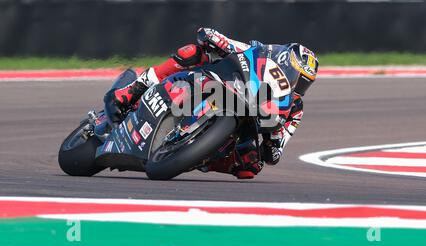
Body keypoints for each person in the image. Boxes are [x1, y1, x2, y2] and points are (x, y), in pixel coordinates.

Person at [104, 28, 319, 179]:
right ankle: (131, 91)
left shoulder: (295, 108)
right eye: (298, 78)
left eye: (305, 83)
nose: (298, 86)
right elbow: (209, 35)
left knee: (250, 166)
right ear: (283, 62)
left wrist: (274, 144)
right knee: (192, 53)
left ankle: (197, 157)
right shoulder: (258, 52)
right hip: (212, 83)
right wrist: (217, 39)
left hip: (247, 121)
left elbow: (278, 147)